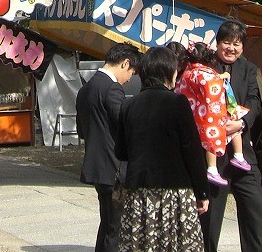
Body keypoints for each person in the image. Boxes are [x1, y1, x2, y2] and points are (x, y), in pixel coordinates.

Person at [115, 44, 210, 252]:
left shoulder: (128, 105)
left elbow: (121, 151)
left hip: (139, 192)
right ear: (168, 71)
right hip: (174, 193)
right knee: (176, 244)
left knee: (142, 245)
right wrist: (202, 192)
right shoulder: (177, 102)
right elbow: (192, 151)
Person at [200, 18, 262, 252]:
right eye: (226, 42)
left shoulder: (248, 69)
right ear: (217, 44)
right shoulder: (205, 66)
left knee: (253, 212)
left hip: (243, 153)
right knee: (210, 219)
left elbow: (254, 102)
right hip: (214, 157)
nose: (231, 48)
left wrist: (240, 123)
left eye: (237, 43)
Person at [78, 43, 141, 252]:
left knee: (107, 225)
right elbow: (125, 126)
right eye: (132, 72)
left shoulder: (86, 87)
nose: (130, 78)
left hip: (97, 165)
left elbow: (81, 129)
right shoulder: (112, 89)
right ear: (125, 63)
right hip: (114, 168)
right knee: (116, 229)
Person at [175, 41, 250, 186]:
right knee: (213, 138)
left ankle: (235, 158)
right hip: (207, 113)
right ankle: (217, 166)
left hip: (192, 114)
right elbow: (212, 95)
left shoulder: (188, 73)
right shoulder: (205, 74)